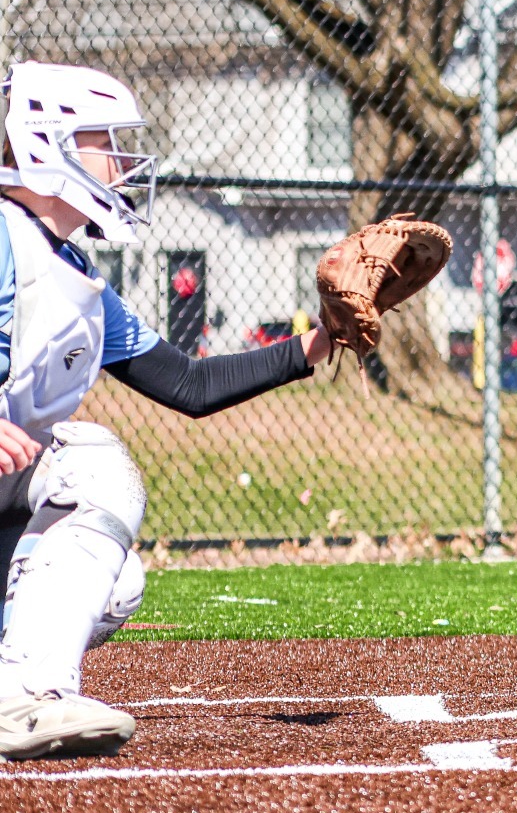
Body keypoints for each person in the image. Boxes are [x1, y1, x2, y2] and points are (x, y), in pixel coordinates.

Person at [0, 62, 346, 759]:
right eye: (105, 139)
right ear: (45, 141)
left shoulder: (72, 277)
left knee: (116, 582)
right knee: (92, 460)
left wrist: (318, 342)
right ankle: (21, 697)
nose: (124, 160)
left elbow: (188, 384)